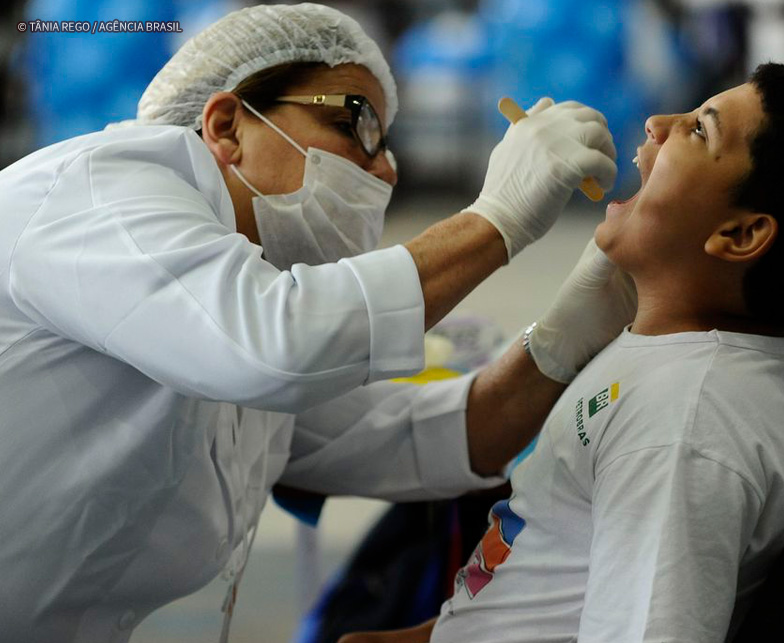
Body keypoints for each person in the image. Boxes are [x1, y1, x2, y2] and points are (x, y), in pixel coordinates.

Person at [0, 3, 627, 642]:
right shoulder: (104, 188)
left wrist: (564, 333)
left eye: (387, 145)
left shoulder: (236, 296)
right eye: (356, 121)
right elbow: (278, 343)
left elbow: (429, 436)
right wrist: (498, 217)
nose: (384, 168)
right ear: (226, 125)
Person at [339, 62, 784, 643]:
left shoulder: (680, 429)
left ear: (740, 235)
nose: (657, 124)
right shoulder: (701, 372)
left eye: (698, 131)